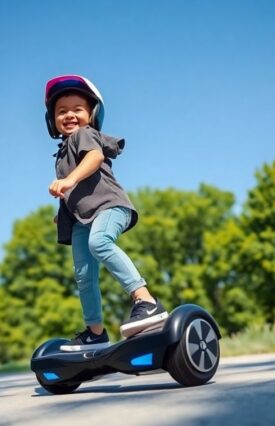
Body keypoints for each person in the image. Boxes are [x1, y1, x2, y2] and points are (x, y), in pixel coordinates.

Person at [45, 75, 168, 351]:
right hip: (81, 220)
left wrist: (68, 181)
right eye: (61, 111)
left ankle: (146, 300)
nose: (69, 115)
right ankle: (95, 333)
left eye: (77, 108)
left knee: (99, 242)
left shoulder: (84, 135)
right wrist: (62, 213)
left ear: (92, 114)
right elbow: (76, 193)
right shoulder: (61, 154)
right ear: (51, 120)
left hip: (110, 207)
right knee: (83, 274)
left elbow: (94, 158)